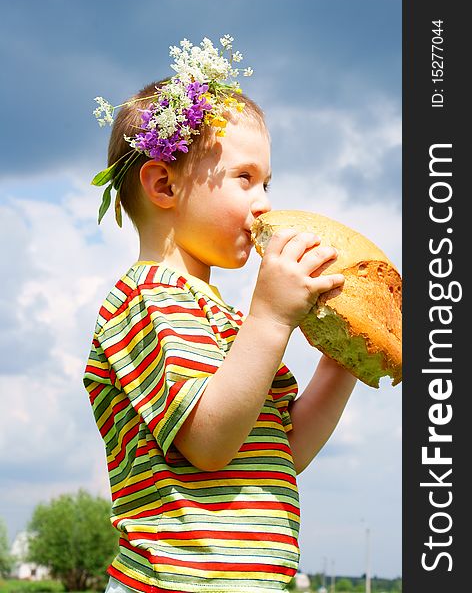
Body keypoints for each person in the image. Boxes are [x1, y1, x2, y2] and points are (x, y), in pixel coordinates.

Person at [84, 36, 357, 593]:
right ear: (164, 184)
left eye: (268, 184)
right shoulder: (146, 298)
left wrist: (340, 363)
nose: (265, 204)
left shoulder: (233, 322)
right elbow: (209, 443)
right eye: (244, 178)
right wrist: (272, 317)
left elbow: (283, 453)